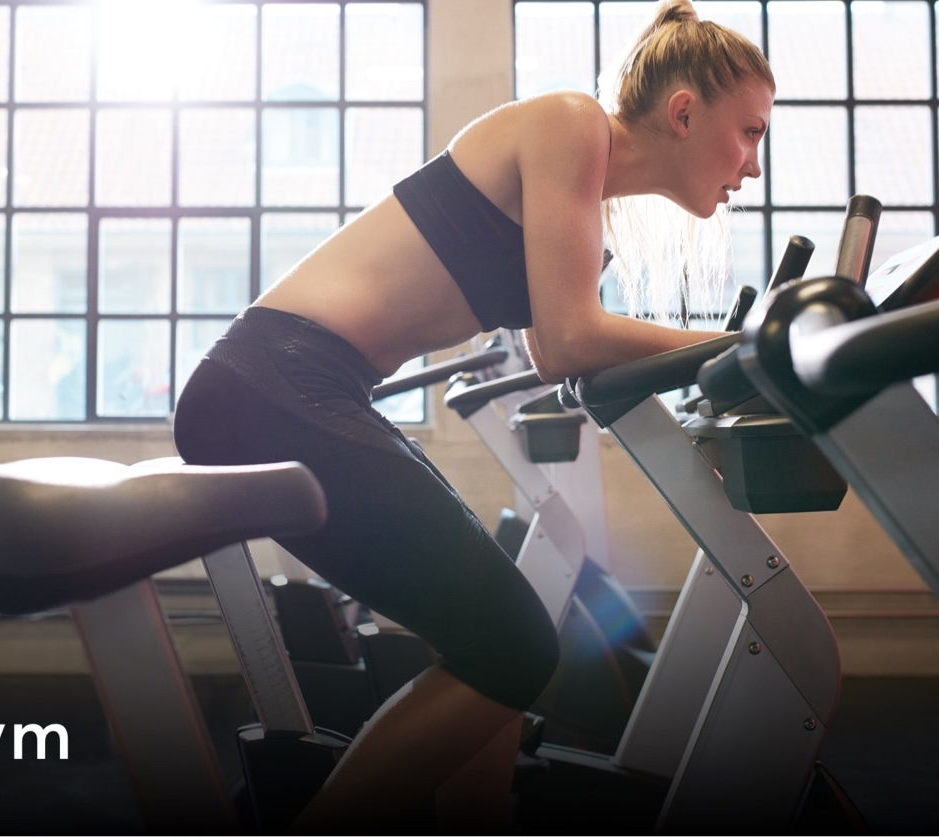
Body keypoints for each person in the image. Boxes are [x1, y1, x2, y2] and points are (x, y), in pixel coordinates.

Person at [173, 0, 773, 830]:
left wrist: (718, 352)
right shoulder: (571, 124)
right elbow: (569, 341)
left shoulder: (583, 206)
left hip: (305, 390)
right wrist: (738, 343)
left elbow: (550, 348)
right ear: (683, 112)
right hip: (272, 389)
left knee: (502, 645)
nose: (752, 163)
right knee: (517, 648)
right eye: (750, 132)